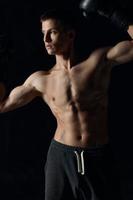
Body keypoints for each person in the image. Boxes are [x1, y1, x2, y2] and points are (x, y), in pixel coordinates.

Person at [0, 2, 133, 199]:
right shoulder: (40, 80)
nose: (45, 39)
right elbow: (2, 105)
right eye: (43, 33)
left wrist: (112, 12)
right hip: (60, 158)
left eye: (52, 32)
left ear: (70, 35)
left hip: (98, 157)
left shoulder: (98, 63)